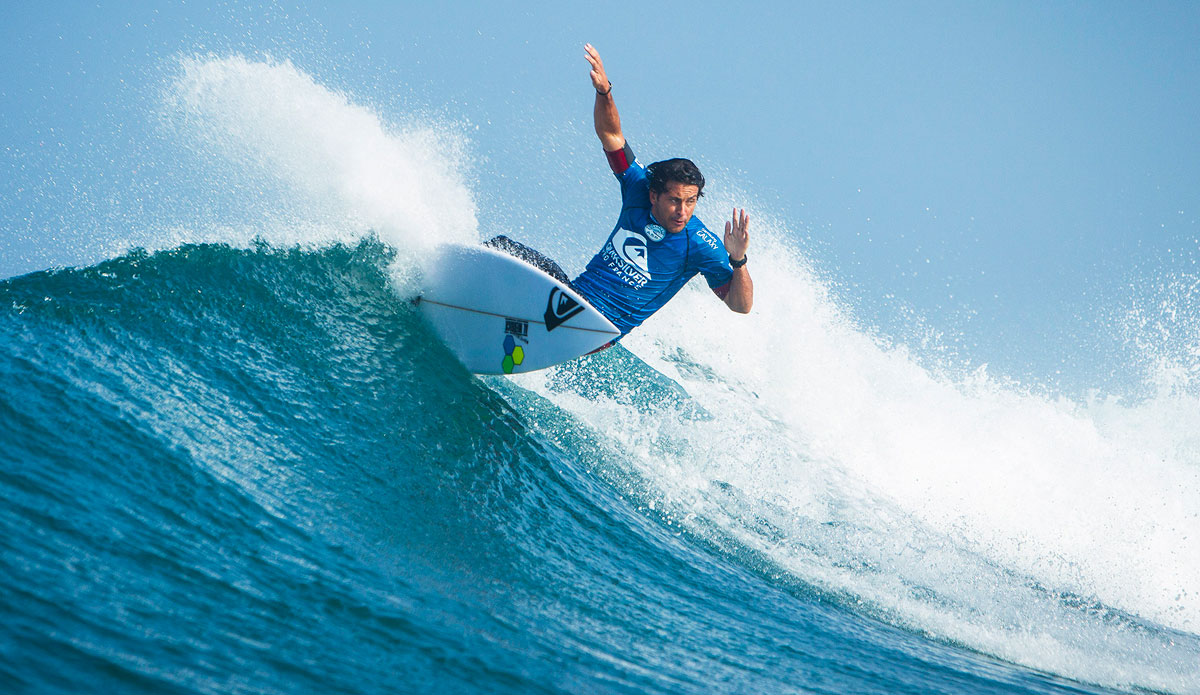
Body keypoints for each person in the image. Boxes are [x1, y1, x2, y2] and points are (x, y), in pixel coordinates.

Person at [488, 43, 753, 346]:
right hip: (572, 298)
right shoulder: (638, 187)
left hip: (597, 329)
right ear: (654, 195)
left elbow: (740, 305)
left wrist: (738, 259)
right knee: (502, 248)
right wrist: (604, 92)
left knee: (548, 303)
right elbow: (611, 135)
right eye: (675, 200)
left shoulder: (700, 243)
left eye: (691, 202)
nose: (683, 211)